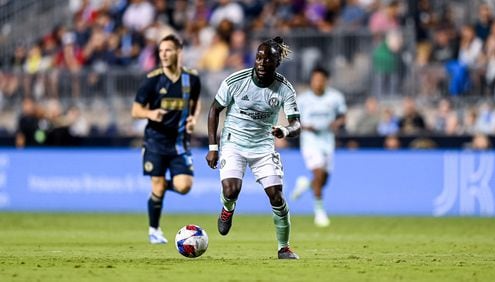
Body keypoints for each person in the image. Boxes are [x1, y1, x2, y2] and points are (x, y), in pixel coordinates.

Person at [205, 37, 301, 259]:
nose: (261, 62)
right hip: (233, 143)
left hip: (263, 147)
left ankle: (283, 247)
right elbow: (214, 110)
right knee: (231, 190)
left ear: (277, 62)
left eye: (267, 58)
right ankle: (227, 210)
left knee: (276, 196)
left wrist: (285, 131)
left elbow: (297, 123)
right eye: (258, 57)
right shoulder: (235, 81)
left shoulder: (285, 89)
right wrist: (213, 147)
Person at [131, 34, 200, 244]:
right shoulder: (152, 80)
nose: (163, 54)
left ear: (179, 51)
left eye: (168, 50)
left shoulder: (192, 79)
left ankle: (159, 186)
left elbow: (196, 104)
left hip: (179, 143)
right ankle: (154, 230)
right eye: (160, 51)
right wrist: (151, 114)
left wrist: (193, 119)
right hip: (155, 142)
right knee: (158, 186)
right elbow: (135, 110)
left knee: (184, 186)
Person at [291, 66, 347, 228]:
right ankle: (320, 212)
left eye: (321, 80)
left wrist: (336, 123)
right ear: (311, 81)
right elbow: (293, 120)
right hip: (310, 141)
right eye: (315, 80)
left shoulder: (335, 97)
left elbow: (343, 117)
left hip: (327, 141)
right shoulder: (302, 100)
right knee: (319, 171)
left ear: (325, 81)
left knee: (323, 180)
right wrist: (304, 126)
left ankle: (306, 184)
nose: (318, 83)